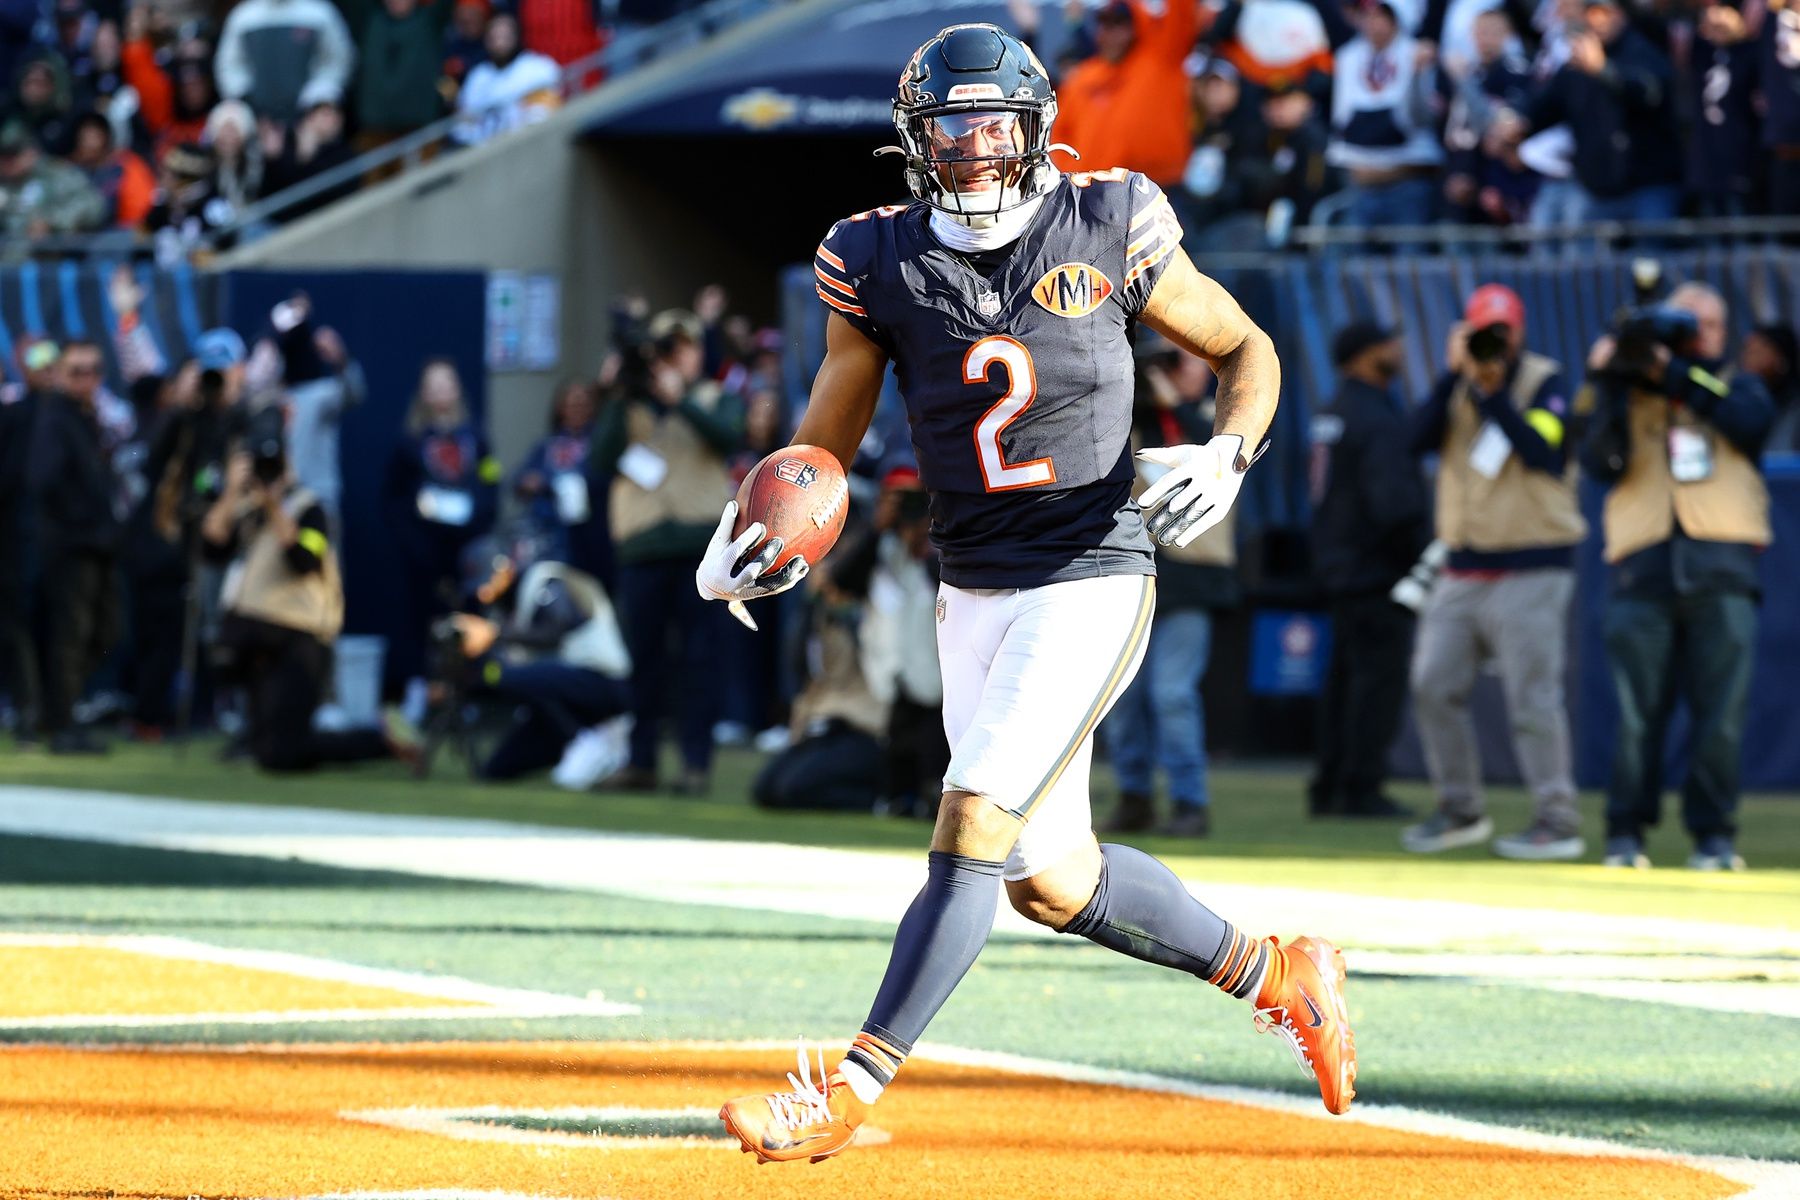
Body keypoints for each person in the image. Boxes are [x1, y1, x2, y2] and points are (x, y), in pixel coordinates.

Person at [696, 23, 1357, 1165]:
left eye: (993, 120)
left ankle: (844, 1093)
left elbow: (1247, 347)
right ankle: (1279, 972)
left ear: (1035, 123)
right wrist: (749, 525)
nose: (973, 144)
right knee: (1052, 884)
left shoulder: (1110, 219)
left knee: (972, 816)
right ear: (916, 135)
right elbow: (824, 443)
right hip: (974, 584)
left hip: (1091, 569)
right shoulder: (878, 255)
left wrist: (1230, 452)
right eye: (951, 123)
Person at [1579, 282, 1775, 870]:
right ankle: (1624, 836)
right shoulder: (1626, 390)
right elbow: (1597, 463)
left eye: (1707, 324)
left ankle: (1714, 836)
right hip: (1643, 571)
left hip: (1722, 569)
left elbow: (1750, 423)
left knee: (1721, 715)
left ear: (1722, 332)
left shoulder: (1738, 383)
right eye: (1685, 322)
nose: (1697, 333)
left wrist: (1673, 373)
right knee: (1638, 716)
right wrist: (1608, 381)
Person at [1402, 284, 1586, 860]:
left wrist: (1495, 394)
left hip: (1532, 564)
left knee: (1533, 698)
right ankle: (1460, 810)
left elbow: (1543, 452)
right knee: (1433, 685)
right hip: (1462, 568)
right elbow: (1413, 441)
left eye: (1501, 332)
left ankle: (1557, 820)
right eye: (1484, 330)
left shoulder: (1546, 380)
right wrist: (1450, 376)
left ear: (1520, 332)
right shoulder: (1458, 384)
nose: (1493, 342)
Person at [203, 405, 413, 772]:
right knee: (268, 752)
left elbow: (304, 559)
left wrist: (273, 503)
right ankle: (258, 735)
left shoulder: (310, 508)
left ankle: (379, 738)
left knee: (287, 755)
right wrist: (232, 492)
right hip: (255, 638)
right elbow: (212, 546)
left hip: (301, 640)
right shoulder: (246, 508)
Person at [593, 309, 741, 794]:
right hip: (642, 547)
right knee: (644, 661)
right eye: (668, 350)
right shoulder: (629, 406)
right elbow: (600, 459)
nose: (679, 358)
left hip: (700, 547)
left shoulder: (714, 397)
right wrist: (616, 394)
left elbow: (730, 437)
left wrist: (681, 402)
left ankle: (695, 765)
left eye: (687, 348)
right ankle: (641, 762)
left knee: (701, 660)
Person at [1100, 340, 1241, 837]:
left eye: (1177, 363)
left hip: (1194, 577)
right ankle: (1134, 797)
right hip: (1135, 574)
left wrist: (1174, 407)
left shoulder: (1218, 420)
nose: (1177, 372)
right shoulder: (1131, 421)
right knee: (1125, 698)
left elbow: (1215, 453)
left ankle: (1189, 803)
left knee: (1171, 693)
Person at [1307, 322, 1431, 819]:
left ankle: (1330, 786)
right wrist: (1414, 557)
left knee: (1341, 685)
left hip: (1337, 567)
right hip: (1377, 572)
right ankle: (1360, 788)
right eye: (1385, 342)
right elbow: (1394, 504)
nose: (1396, 349)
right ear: (1362, 356)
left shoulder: (1333, 410)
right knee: (1374, 686)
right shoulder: (1375, 415)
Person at [385, 358, 499, 703]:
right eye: (433, 385)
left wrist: (478, 520)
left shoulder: (476, 438)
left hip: (467, 550)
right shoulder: (410, 441)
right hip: (425, 552)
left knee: (467, 621)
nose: (440, 392)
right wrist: (414, 542)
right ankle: (422, 695)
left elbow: (491, 483)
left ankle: (465, 696)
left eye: (446, 383)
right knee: (425, 621)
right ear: (423, 393)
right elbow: (392, 499)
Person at [28, 339, 122, 755]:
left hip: (96, 544)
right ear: (60, 375)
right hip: (71, 546)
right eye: (76, 371)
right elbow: (42, 479)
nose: (86, 379)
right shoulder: (55, 418)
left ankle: (57, 711)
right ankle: (61, 723)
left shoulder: (89, 418)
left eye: (93, 370)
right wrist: (76, 519)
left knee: (104, 631)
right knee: (72, 635)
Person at [1047, 0, 1200, 188]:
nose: (1112, 33)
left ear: (1136, 28)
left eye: (1120, 24)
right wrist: (1072, 170)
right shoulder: (1083, 78)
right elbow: (1058, 131)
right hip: (1093, 192)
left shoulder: (1161, 59)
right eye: (1105, 24)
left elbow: (1181, 13)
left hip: (1158, 186)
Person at [214, 0, 355, 126]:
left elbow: (338, 60)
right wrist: (247, 101)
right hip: (257, 119)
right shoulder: (244, 16)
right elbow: (229, 65)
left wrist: (319, 98)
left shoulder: (320, 13)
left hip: (310, 117)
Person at [452, 12, 560, 147]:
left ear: (516, 36)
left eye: (505, 35)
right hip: (487, 153)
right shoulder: (477, 77)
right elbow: (463, 126)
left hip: (531, 144)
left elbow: (544, 113)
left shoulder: (539, 68)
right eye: (494, 36)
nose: (499, 42)